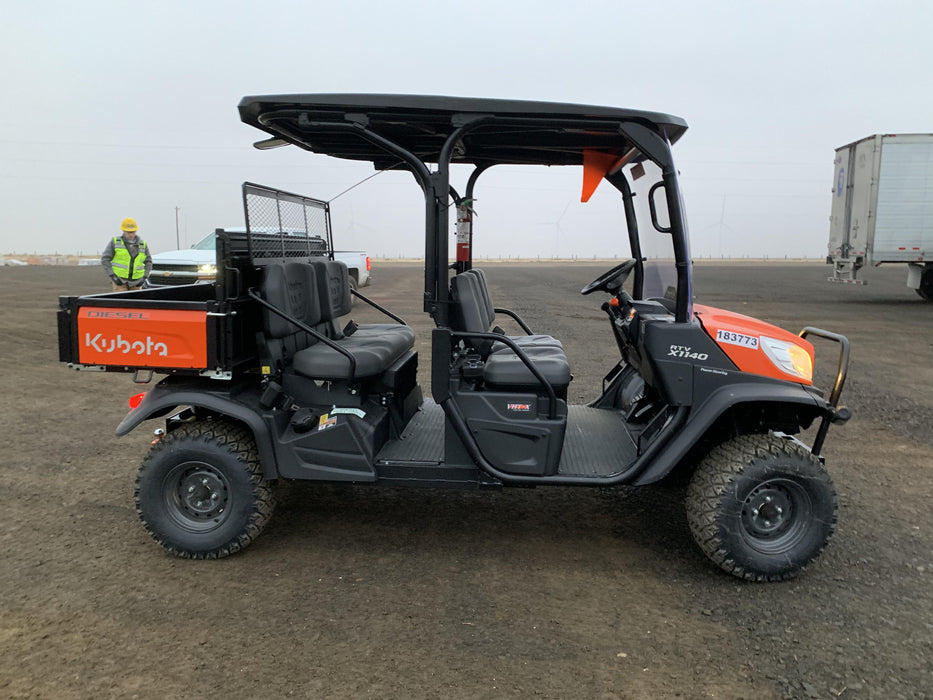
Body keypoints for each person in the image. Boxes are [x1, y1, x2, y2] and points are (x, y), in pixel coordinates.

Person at [101, 218, 152, 291]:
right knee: (122, 299)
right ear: (123, 230)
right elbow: (105, 259)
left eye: (133, 232)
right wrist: (113, 275)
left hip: (136, 282)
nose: (131, 234)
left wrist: (144, 277)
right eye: (128, 232)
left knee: (137, 299)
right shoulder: (115, 242)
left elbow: (148, 262)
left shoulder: (142, 245)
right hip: (120, 281)